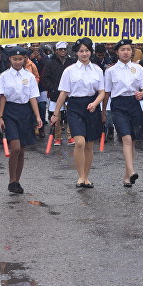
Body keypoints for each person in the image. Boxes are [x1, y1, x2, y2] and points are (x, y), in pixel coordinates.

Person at [50, 37, 105, 188]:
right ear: (76, 53)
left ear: (91, 52)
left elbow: (102, 92)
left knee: (89, 144)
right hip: (74, 106)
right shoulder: (69, 71)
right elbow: (63, 94)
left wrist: (95, 103)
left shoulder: (98, 70)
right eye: (81, 51)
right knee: (79, 142)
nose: (84, 53)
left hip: (92, 106)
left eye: (87, 50)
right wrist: (55, 114)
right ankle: (80, 176)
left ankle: (86, 177)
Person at [0, 46, 43, 194]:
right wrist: (0, 116)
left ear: (24, 60)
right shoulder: (3, 76)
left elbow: (33, 97)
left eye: (20, 59)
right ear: (9, 59)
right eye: (14, 59)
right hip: (9, 112)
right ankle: (11, 180)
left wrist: (38, 116)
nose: (17, 62)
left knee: (22, 149)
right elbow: (2, 97)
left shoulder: (28, 76)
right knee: (15, 147)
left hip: (25, 112)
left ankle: (17, 181)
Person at [104, 39, 143, 187]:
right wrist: (103, 112)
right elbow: (106, 94)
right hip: (118, 106)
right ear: (117, 52)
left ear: (132, 52)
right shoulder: (110, 71)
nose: (126, 52)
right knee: (126, 139)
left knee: (133, 141)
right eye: (122, 49)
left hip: (134, 105)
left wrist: (142, 94)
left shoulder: (138, 68)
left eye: (128, 49)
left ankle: (127, 175)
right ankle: (131, 171)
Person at [40, 41, 75, 146]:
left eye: (64, 49)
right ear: (56, 51)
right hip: (56, 93)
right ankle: (58, 137)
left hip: (69, 93)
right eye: (60, 49)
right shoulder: (50, 62)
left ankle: (70, 136)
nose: (63, 51)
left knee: (71, 115)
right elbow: (44, 77)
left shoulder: (71, 61)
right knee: (56, 116)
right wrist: (52, 89)